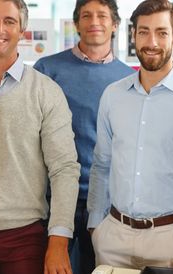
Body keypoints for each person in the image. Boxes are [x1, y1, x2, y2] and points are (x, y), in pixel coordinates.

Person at [87, 0, 173, 271]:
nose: (151, 41)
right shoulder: (113, 95)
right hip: (114, 238)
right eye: (143, 31)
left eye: (161, 32)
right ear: (133, 34)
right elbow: (102, 164)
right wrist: (95, 226)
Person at [0, 0, 80, 274]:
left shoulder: (46, 91)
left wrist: (58, 241)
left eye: (9, 21)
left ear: (22, 30)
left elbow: (64, 169)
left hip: (26, 236)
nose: (0, 28)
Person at [34, 0, 134, 273]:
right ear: (76, 23)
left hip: (104, 200)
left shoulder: (128, 79)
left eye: (102, 16)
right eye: (86, 15)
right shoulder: (46, 70)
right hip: (52, 197)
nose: (94, 22)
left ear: (115, 25)